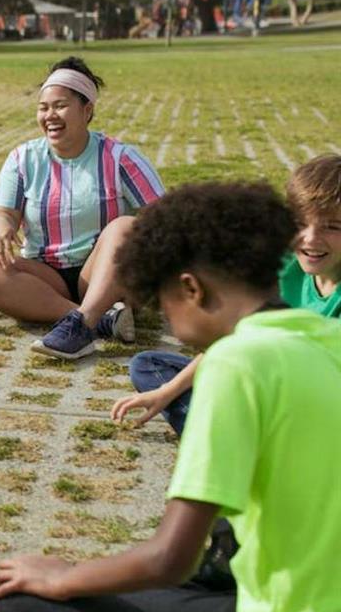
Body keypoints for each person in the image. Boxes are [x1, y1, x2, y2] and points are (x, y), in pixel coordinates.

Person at [0, 182, 341, 612]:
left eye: (163, 302)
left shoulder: (235, 363)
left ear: (190, 288)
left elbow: (168, 560)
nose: (172, 327)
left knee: (24, 604)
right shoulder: (328, 336)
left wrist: (64, 576)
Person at [113, 154, 341, 434]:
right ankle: (229, 430)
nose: (311, 237)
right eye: (300, 223)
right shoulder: (282, 267)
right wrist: (165, 393)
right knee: (149, 366)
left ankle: (224, 433)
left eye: (333, 227)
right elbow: (234, 341)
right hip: (265, 381)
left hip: (313, 404)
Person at [0, 57, 166, 360]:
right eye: (43, 107)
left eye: (60, 106)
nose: (50, 115)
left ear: (86, 111)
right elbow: (5, 212)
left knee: (126, 227)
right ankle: (98, 319)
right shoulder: (23, 158)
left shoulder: (120, 157)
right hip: (47, 276)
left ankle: (82, 326)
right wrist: (1, 228)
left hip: (104, 272)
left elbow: (164, 216)